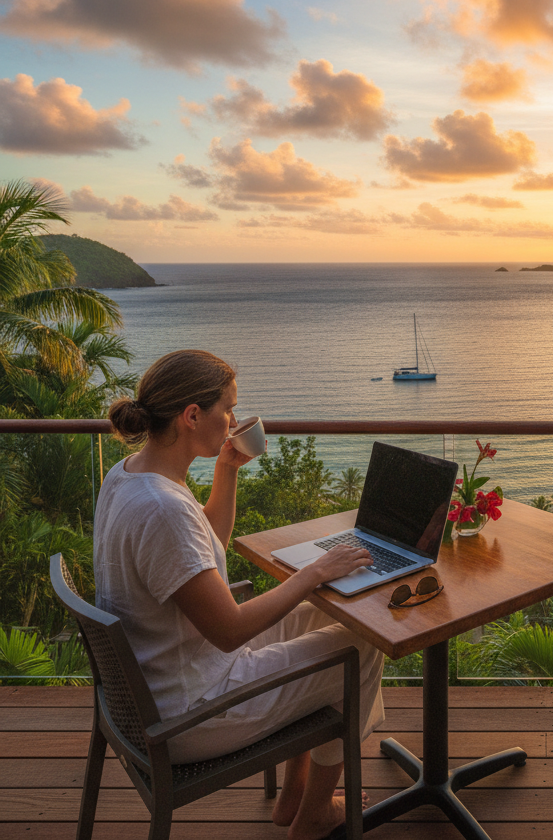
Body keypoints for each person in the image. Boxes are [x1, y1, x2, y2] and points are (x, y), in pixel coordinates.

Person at [95, 350, 384, 840]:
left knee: (321, 614)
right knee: (360, 646)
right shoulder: (162, 508)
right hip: (192, 710)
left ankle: (294, 793)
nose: (233, 420)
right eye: (227, 408)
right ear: (192, 416)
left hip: (168, 673)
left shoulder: (129, 475)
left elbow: (203, 549)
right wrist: (313, 571)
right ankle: (313, 815)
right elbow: (229, 631)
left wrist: (227, 469)